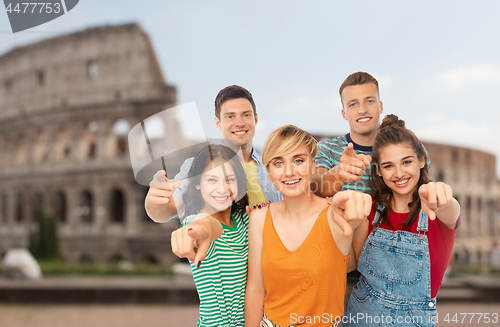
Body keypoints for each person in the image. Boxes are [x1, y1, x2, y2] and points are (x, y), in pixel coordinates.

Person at [339, 115, 460, 326]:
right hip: (361, 316)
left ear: (422, 160)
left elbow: (451, 208)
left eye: (407, 162)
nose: (399, 173)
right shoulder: (370, 209)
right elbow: (349, 266)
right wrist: (349, 225)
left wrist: (442, 195)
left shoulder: (437, 210)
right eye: (388, 166)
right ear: (379, 171)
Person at [245, 125, 371, 327]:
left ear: (313, 165)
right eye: (278, 163)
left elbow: (349, 264)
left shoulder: (335, 213)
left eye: (298, 160)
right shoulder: (259, 217)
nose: (289, 171)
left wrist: (359, 208)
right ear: (268, 172)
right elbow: (255, 289)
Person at [145, 85, 282, 222]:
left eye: (246, 115)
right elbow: (165, 211)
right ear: (218, 123)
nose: (239, 123)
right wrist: (154, 201)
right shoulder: (198, 165)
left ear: (255, 119)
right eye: (230, 116)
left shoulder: (277, 165)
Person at [170, 144, 249, 327]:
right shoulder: (195, 220)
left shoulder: (244, 219)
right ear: (197, 184)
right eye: (212, 180)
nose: (222, 189)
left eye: (230, 179)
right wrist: (198, 228)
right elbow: (206, 226)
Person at [312, 72, 380, 197]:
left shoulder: (405, 149)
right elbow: (315, 186)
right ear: (344, 114)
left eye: (369, 101)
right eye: (353, 104)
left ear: (380, 106)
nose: (362, 110)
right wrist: (339, 173)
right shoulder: (326, 148)